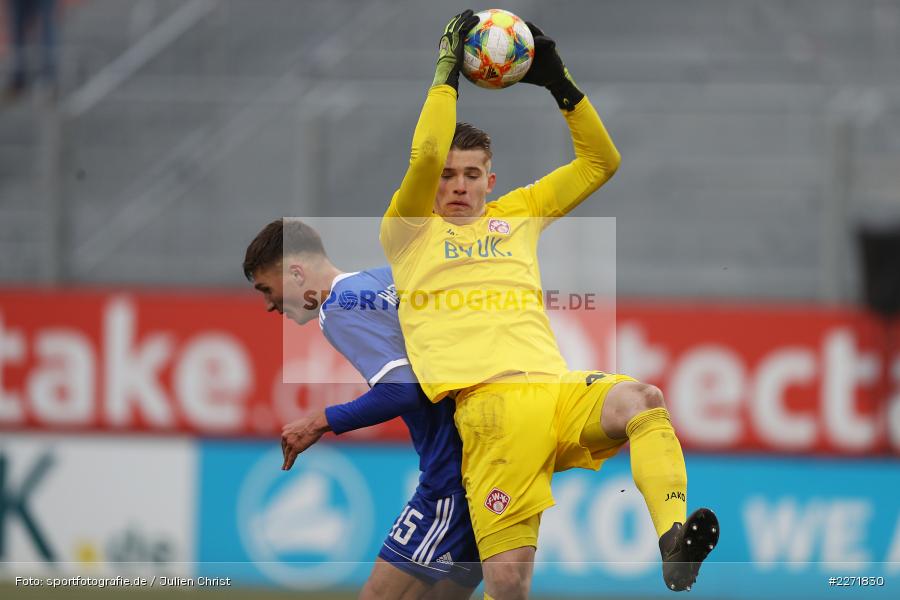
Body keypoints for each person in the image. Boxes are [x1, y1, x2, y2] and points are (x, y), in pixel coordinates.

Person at [379, 10, 718, 599]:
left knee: (643, 399)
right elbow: (425, 151)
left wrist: (561, 84)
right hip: (492, 412)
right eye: (447, 175)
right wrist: (445, 73)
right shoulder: (408, 231)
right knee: (509, 587)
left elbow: (600, 163)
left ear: (492, 180)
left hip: (556, 390)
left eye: (471, 175)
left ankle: (672, 541)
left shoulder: (518, 214)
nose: (457, 185)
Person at [243, 218, 481, 600]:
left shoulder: (337, 308)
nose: (269, 304)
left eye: (266, 289)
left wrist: (320, 421)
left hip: (454, 471)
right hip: (484, 455)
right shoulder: (383, 279)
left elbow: (403, 391)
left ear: (296, 272)